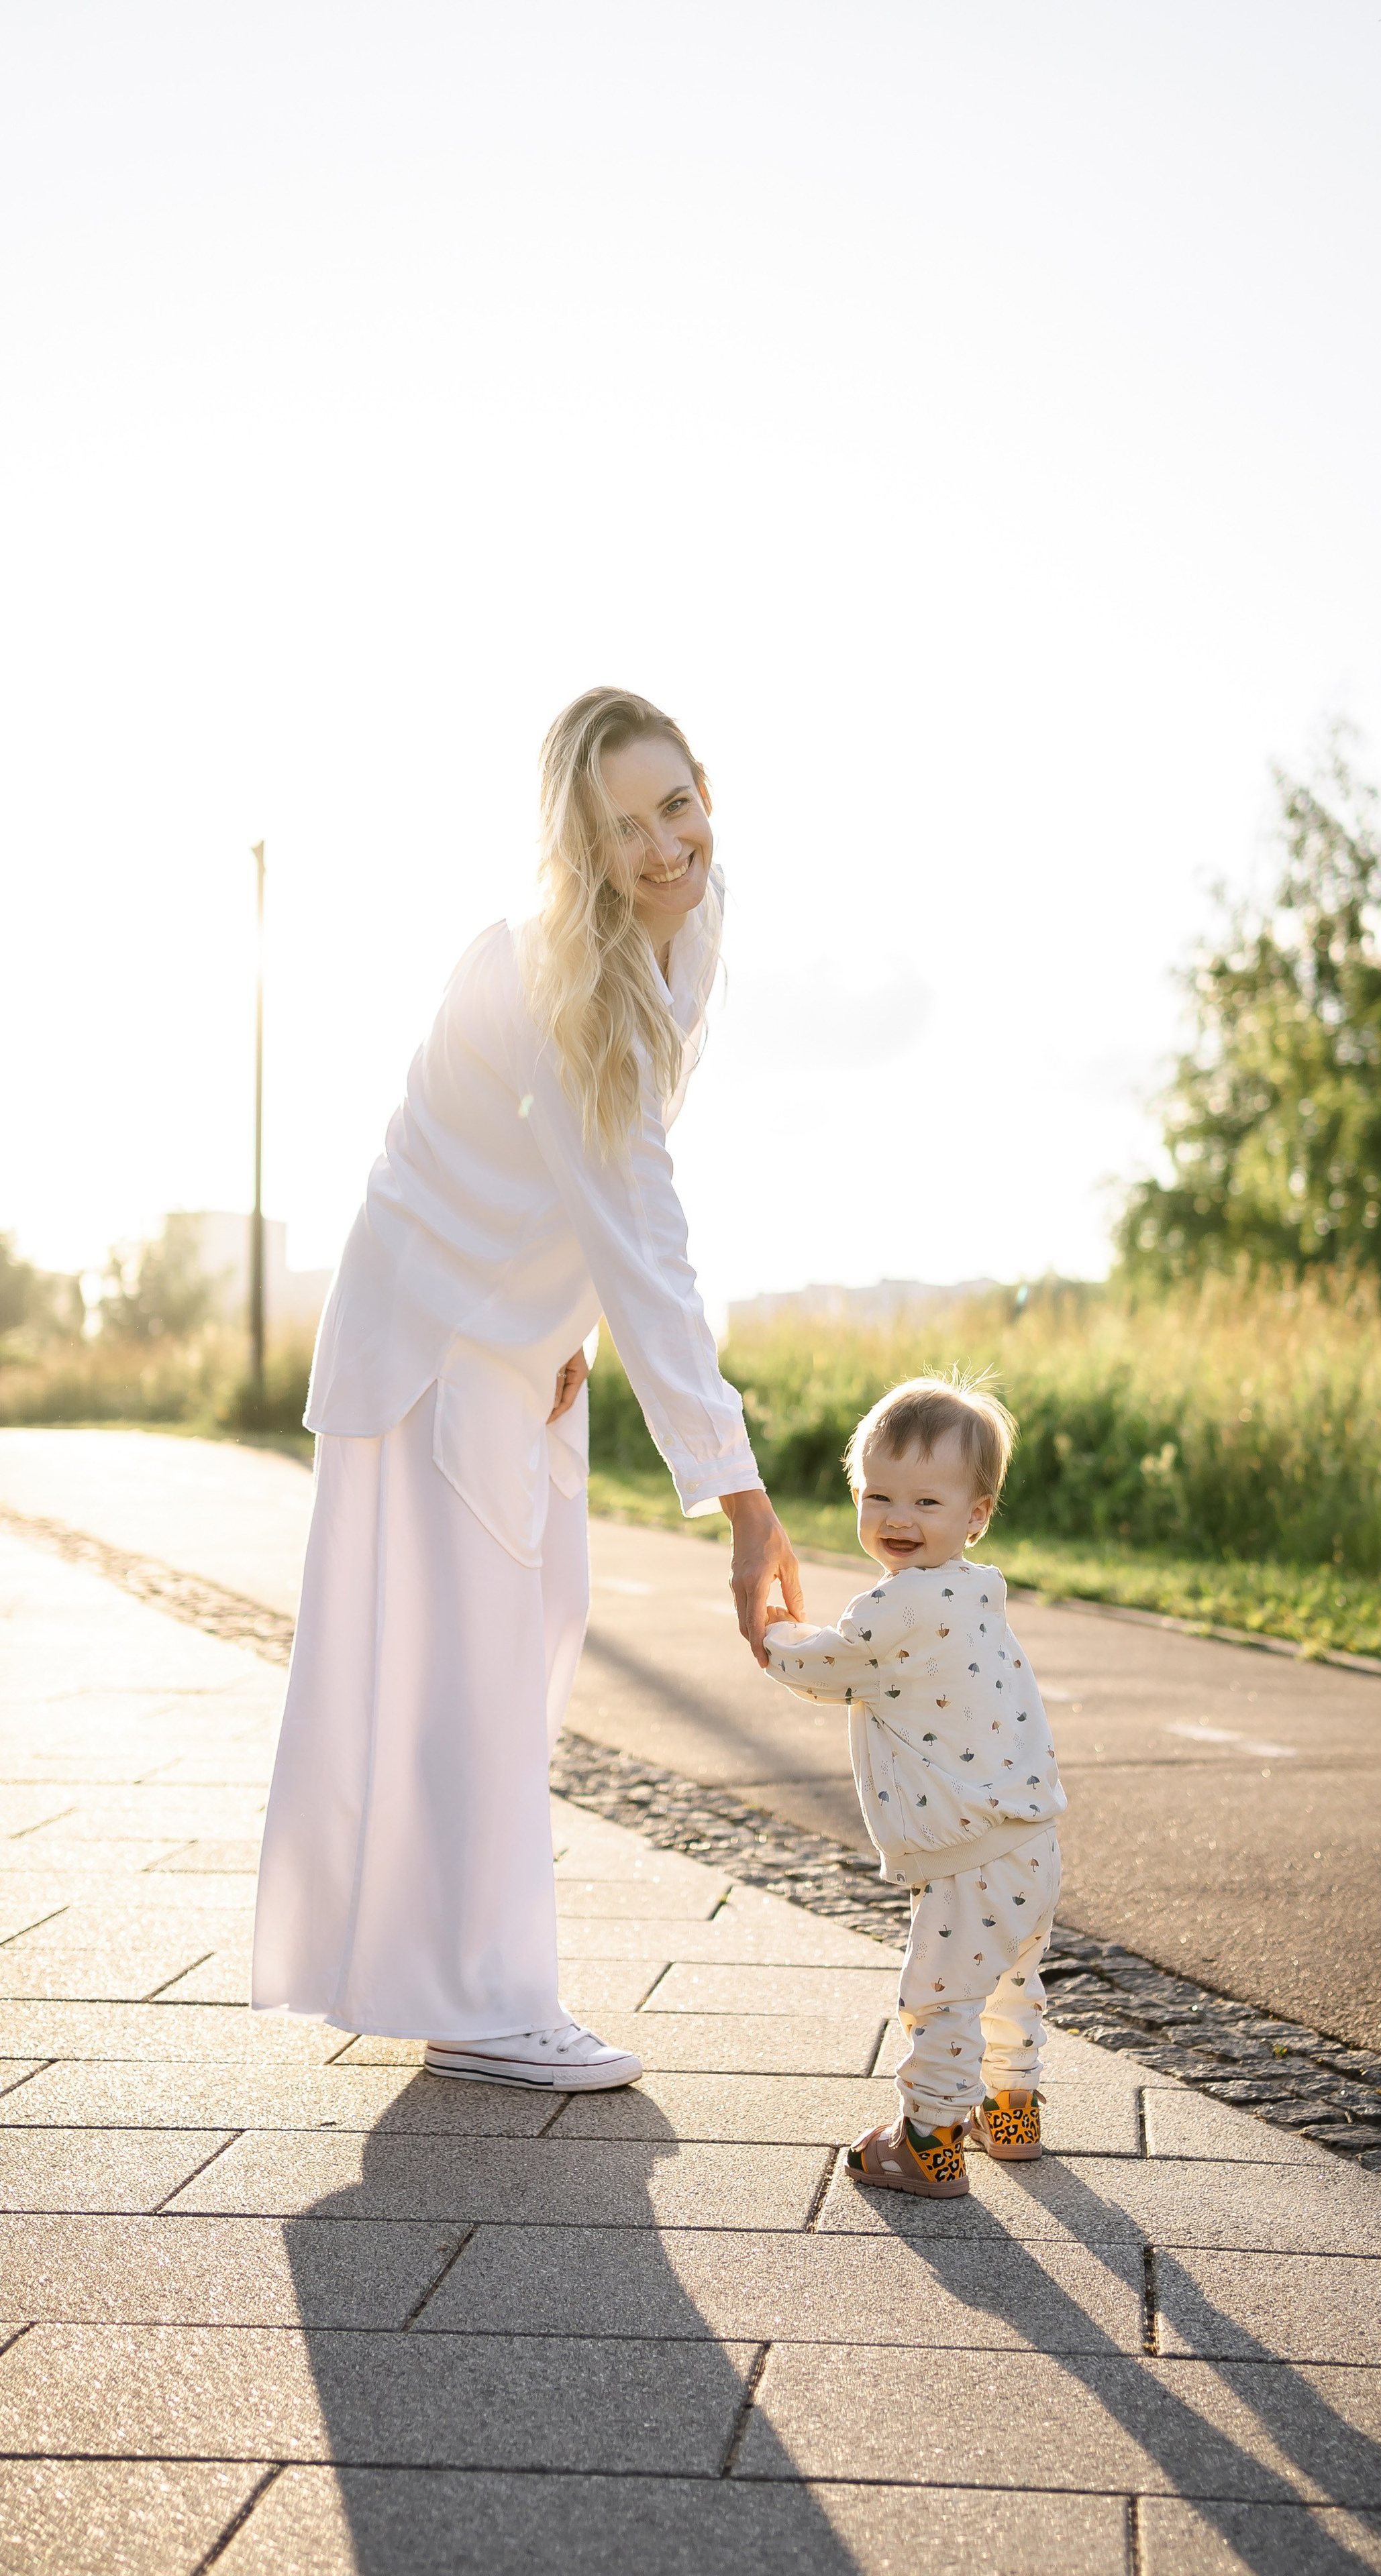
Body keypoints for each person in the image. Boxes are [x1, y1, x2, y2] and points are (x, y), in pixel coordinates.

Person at [252, 687, 803, 2088]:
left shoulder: (695, 914)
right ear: (581, 847)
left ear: (706, 791)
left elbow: (589, 1197)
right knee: (474, 1669)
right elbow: (641, 1231)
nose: (664, 847)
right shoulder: (561, 978)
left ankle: (448, 1977)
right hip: (432, 1339)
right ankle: (486, 2003)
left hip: (508, 1332)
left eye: (675, 805)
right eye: (624, 829)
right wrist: (742, 1502)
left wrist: (565, 1329)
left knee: (532, 1631)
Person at [758, 1376, 1066, 2196]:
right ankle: (1011, 2112)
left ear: (975, 1514)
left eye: (927, 1501)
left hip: (968, 1852)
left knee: (942, 1992)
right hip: (1032, 1840)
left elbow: (825, 1667)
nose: (899, 1518)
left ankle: (926, 2140)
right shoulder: (975, 1592)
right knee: (1011, 1984)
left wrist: (770, 1630)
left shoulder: (898, 1605)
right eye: (878, 1496)